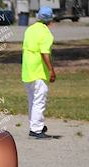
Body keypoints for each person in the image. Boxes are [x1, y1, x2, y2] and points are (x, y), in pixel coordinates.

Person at [21, 6, 56, 139]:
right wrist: (51, 70)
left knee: (32, 99)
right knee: (39, 100)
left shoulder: (30, 29)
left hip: (27, 71)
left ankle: (34, 125)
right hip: (38, 71)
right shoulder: (46, 33)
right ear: (50, 19)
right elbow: (44, 53)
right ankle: (36, 129)